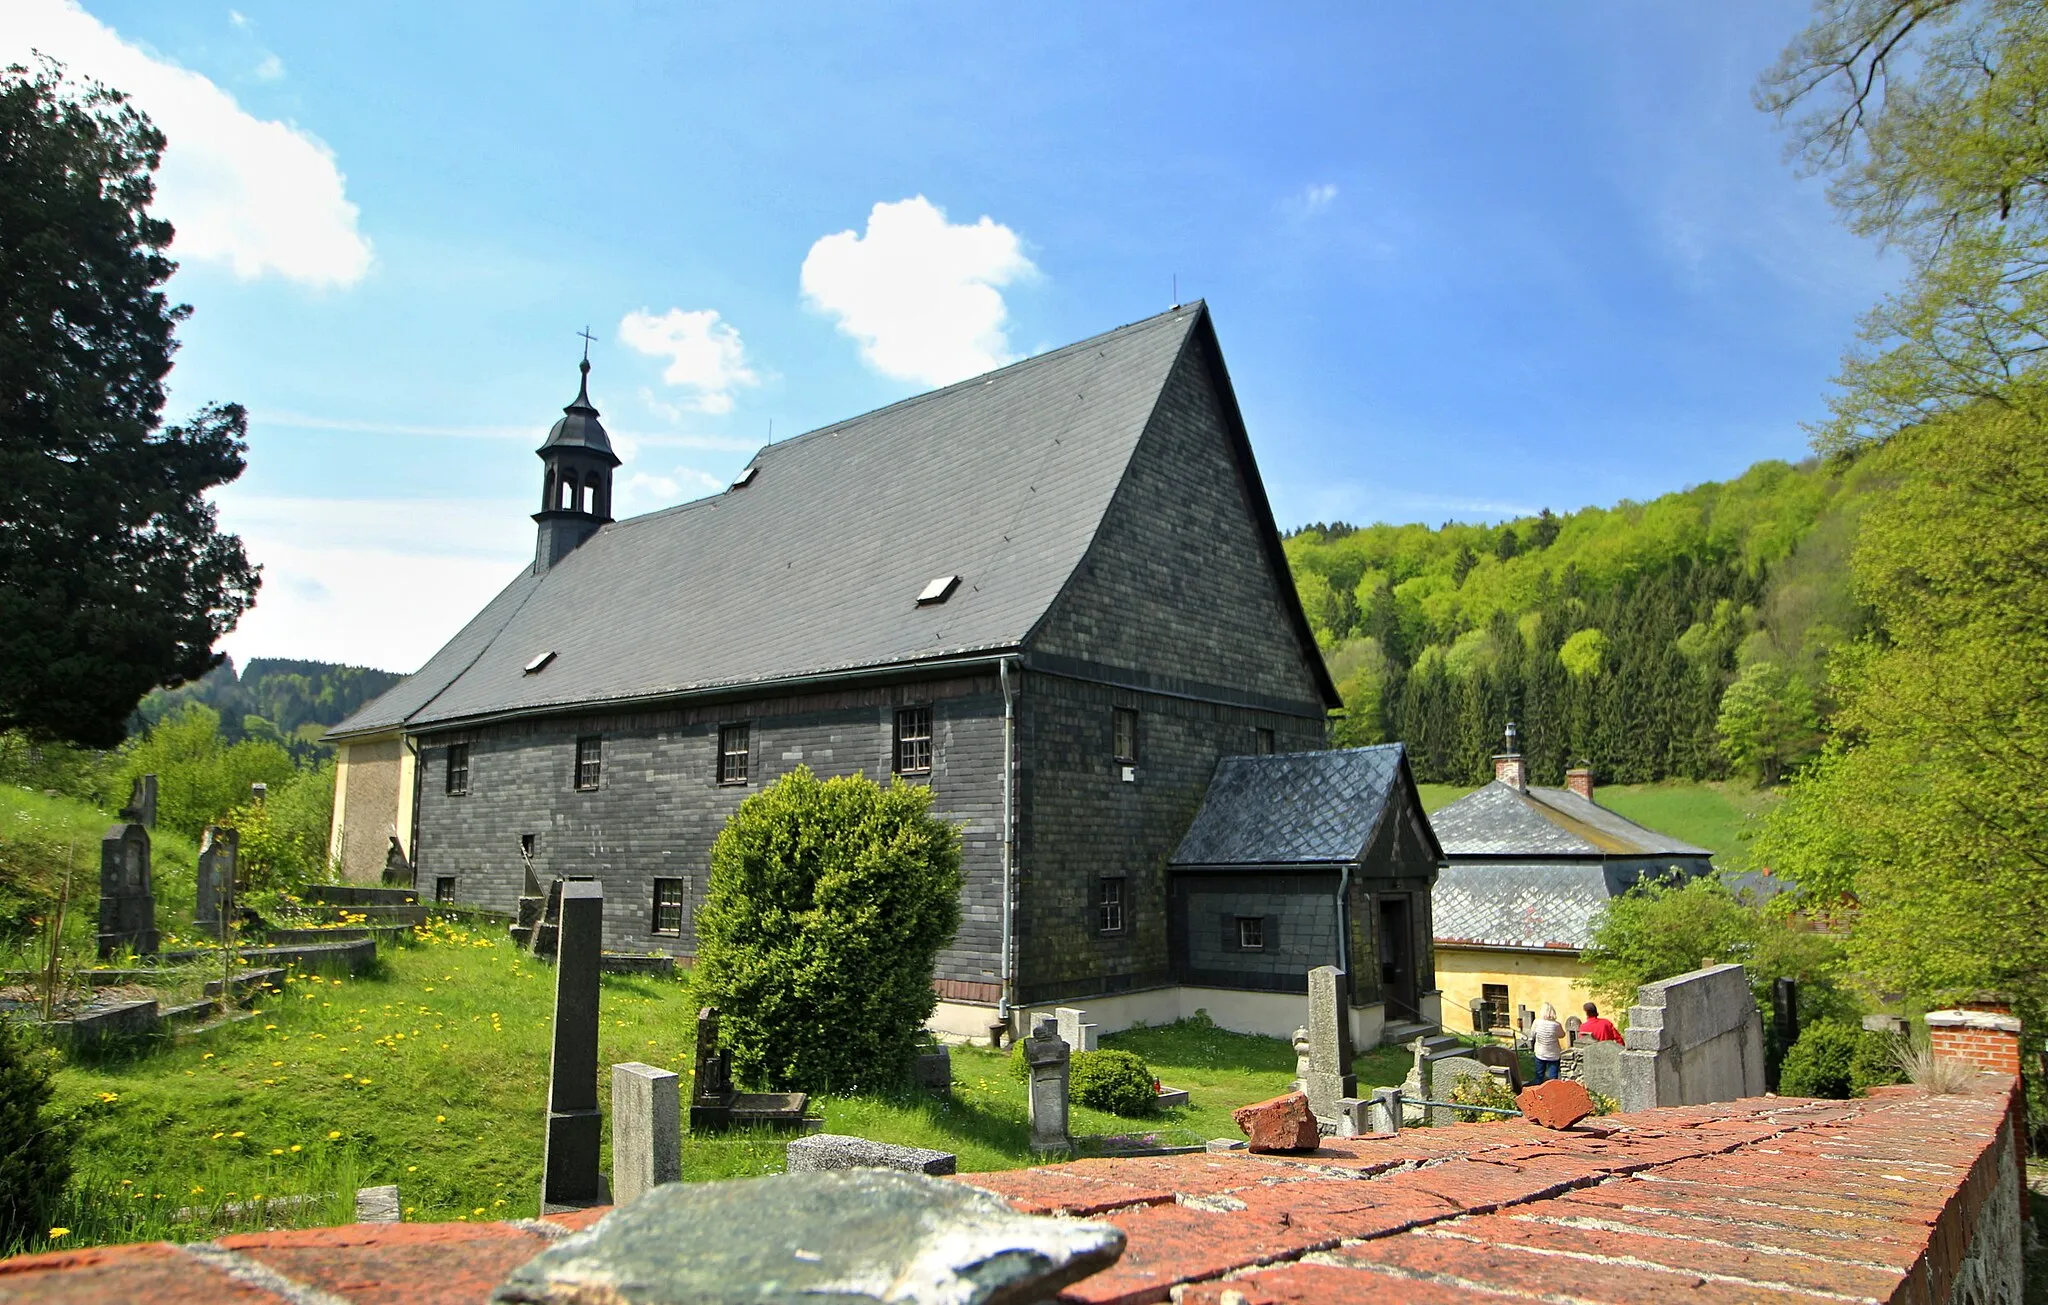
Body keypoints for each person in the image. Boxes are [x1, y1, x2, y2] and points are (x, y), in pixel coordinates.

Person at [1529, 1002, 1565, 1082]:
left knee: (1539, 1075)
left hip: (1540, 1053)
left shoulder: (1536, 1022)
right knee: (1553, 1078)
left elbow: (1532, 1034)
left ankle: (1536, 1092)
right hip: (1554, 1054)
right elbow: (1562, 1035)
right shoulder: (1556, 1025)